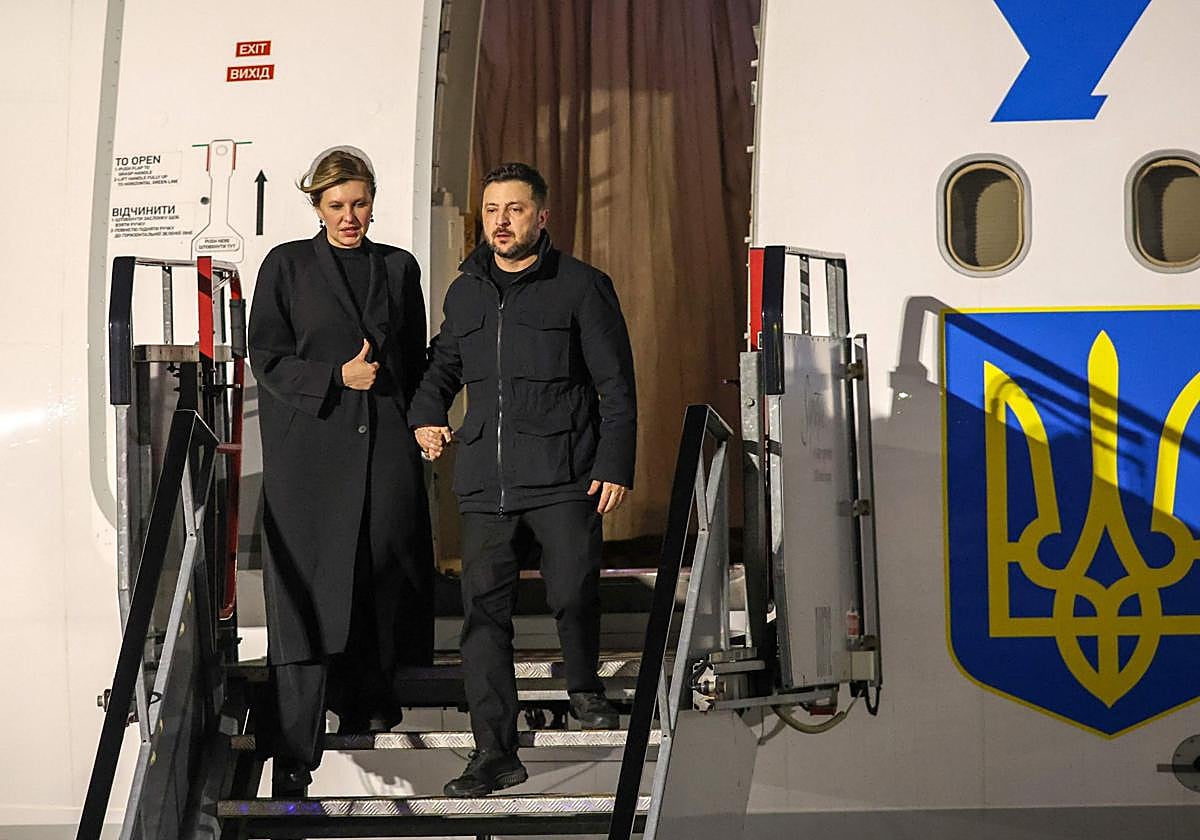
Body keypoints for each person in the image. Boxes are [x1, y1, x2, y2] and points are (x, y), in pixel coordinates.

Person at [410, 162, 637, 797]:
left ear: (541, 216)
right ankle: (494, 752)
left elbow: (616, 386)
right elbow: (442, 367)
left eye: (513, 209)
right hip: (486, 481)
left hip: (565, 473)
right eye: (491, 210)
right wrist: (426, 415)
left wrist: (614, 464)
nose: (501, 222)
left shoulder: (582, 287)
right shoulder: (465, 293)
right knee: (482, 618)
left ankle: (585, 689)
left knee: (573, 590)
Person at [248, 146, 434, 796]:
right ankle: (295, 748)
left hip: (383, 445)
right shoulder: (287, 266)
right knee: (306, 589)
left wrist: (426, 421)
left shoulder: (398, 267)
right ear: (318, 206)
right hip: (310, 455)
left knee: (381, 567)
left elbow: (414, 360)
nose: (349, 216)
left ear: (373, 202)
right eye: (336, 205)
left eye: (359, 203)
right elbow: (266, 356)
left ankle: (368, 703)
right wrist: (336, 377)